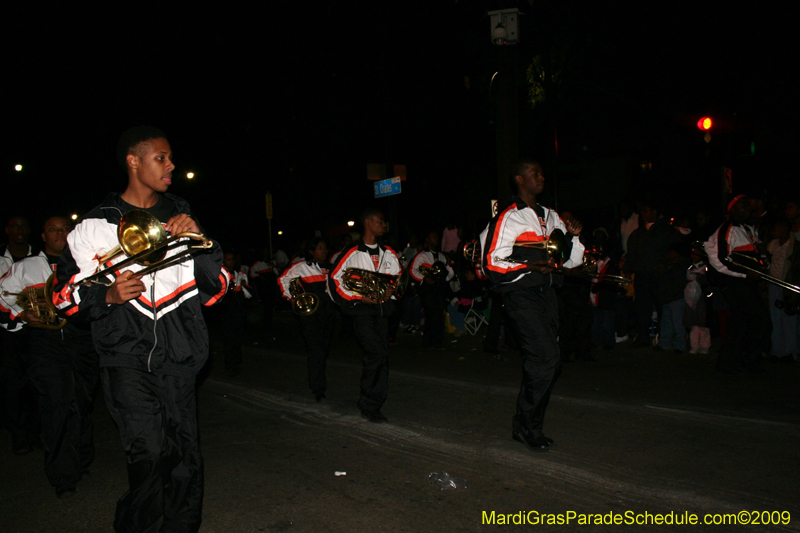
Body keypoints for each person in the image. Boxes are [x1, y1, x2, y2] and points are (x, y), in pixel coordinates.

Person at [53, 126, 227, 533]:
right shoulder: (92, 227)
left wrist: (201, 241)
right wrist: (105, 296)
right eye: (161, 158)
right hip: (126, 357)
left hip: (180, 355)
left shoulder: (181, 215)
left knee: (184, 457)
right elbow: (62, 297)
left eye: (170, 158)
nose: (171, 166)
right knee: (148, 454)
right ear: (134, 161)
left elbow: (218, 289)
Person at [481, 159, 584, 452]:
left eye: (541, 172)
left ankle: (524, 423)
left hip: (549, 295)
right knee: (546, 359)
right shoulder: (508, 217)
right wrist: (529, 267)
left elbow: (571, 262)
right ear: (519, 180)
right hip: (521, 295)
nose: (540, 176)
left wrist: (574, 237)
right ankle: (529, 427)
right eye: (534, 173)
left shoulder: (552, 217)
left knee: (546, 362)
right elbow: (491, 263)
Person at [0, 216, 99, 498]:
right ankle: (62, 476)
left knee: (81, 402)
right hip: (44, 344)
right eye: (53, 229)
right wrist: (21, 313)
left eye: (65, 228)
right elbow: (1, 299)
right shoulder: (25, 267)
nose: (60, 233)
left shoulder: (85, 264)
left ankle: (81, 459)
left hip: (82, 343)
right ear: (43, 236)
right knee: (57, 405)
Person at [328, 208, 401, 424]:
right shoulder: (351, 252)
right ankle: (370, 404)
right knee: (375, 354)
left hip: (382, 312)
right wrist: (357, 298)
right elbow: (334, 282)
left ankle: (372, 400)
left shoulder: (389, 252)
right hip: (362, 311)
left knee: (381, 356)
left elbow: (396, 279)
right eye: (380, 221)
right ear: (368, 223)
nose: (383, 224)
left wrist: (392, 292)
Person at [705, 194, 770, 373]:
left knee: (739, 323)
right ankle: (748, 358)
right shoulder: (728, 228)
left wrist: (763, 264)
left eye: (747, 206)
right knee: (760, 318)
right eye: (742, 206)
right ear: (732, 209)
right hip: (735, 282)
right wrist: (745, 273)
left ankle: (730, 363)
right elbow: (720, 257)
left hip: (747, 282)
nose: (746, 209)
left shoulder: (748, 229)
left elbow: (757, 256)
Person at [278, 237, 336, 402]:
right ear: (311, 251)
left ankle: (318, 381)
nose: (323, 250)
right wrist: (294, 299)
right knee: (316, 350)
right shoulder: (302, 267)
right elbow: (283, 279)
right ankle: (318, 389)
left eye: (325, 247)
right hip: (311, 316)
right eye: (319, 247)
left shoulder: (332, 268)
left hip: (328, 314)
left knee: (323, 351)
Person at [0, 215, 38, 455]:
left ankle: (35, 432)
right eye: (15, 226)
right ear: (7, 230)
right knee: (12, 385)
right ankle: (18, 434)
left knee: (35, 382)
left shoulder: (38, 258)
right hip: (7, 332)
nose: (20, 230)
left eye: (24, 225)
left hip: (36, 331)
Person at [410, 231, 454, 349]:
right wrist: (424, 278)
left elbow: (449, 275)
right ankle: (430, 341)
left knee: (439, 315)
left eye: (437, 236)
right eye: (433, 236)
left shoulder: (442, 256)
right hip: (428, 289)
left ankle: (436, 341)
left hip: (439, 289)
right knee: (431, 315)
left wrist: (448, 265)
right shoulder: (421, 256)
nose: (436, 238)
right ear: (427, 240)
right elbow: (413, 271)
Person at [221, 252, 251, 376]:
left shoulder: (240, 274)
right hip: (226, 310)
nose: (231, 262)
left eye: (233, 259)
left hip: (238, 310)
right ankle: (230, 364)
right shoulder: (221, 275)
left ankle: (237, 362)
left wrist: (244, 287)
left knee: (238, 337)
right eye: (228, 260)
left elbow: (249, 294)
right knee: (229, 338)